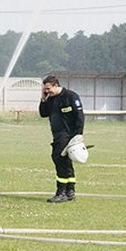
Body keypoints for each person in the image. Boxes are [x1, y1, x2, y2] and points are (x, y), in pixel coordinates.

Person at [38, 73, 85, 203]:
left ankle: (61, 192)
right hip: (57, 135)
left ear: (56, 85)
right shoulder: (50, 99)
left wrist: (79, 135)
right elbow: (43, 113)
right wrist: (43, 99)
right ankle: (70, 191)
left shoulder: (71, 96)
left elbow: (80, 116)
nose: (46, 91)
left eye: (48, 88)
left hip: (69, 135)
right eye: (44, 89)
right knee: (66, 162)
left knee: (58, 159)